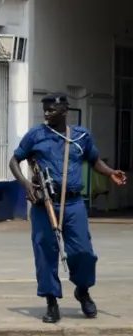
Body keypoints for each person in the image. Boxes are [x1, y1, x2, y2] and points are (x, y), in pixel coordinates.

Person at [9, 93, 127, 324]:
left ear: (64, 110)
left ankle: (82, 290)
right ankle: (51, 301)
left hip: (73, 204)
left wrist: (111, 171)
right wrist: (26, 185)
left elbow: (95, 160)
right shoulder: (36, 135)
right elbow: (14, 161)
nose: (46, 113)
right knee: (45, 253)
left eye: (51, 109)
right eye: (45, 109)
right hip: (45, 204)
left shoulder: (81, 136)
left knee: (83, 252)